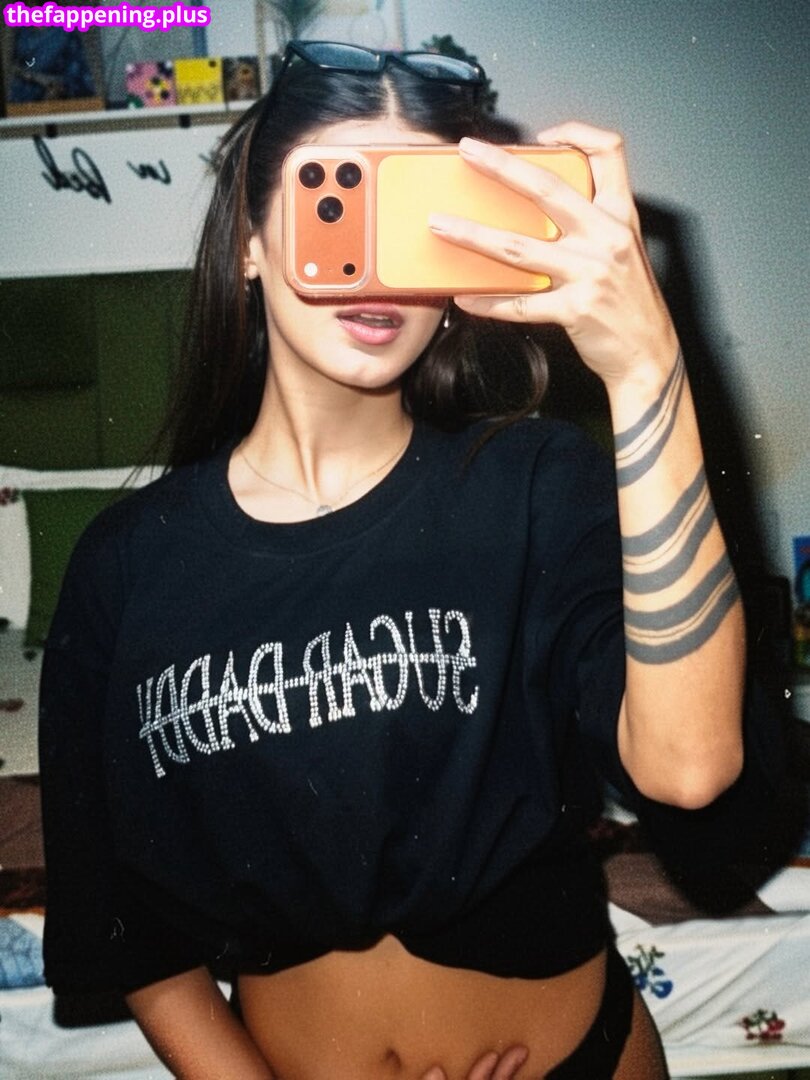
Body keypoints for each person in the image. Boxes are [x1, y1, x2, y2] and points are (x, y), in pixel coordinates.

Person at [39, 40, 775, 1079]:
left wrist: (647, 367)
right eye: (339, 205)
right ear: (248, 242)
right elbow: (127, 928)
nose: (379, 269)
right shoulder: (125, 569)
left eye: (421, 225)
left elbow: (690, 770)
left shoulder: (534, 486)